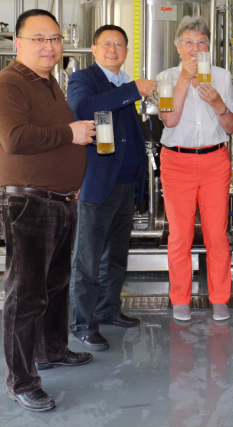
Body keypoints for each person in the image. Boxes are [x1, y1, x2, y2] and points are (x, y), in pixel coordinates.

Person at [0, 9, 96, 412]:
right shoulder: (7, 84)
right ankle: (21, 380)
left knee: (55, 285)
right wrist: (70, 133)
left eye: (55, 38)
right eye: (39, 38)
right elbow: (14, 138)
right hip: (28, 203)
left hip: (60, 200)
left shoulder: (49, 83)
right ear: (18, 43)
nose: (50, 46)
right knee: (26, 295)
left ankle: (51, 349)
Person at [67, 25, 155, 351]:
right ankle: (82, 324)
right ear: (94, 49)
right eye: (107, 44)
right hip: (98, 183)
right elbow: (83, 109)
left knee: (116, 256)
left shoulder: (122, 83)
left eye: (119, 44)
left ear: (126, 51)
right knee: (87, 260)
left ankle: (108, 309)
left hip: (126, 183)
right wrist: (133, 89)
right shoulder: (84, 79)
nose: (113, 49)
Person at [158, 16, 233, 322]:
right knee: (180, 235)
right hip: (177, 162)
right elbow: (169, 120)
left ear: (209, 47)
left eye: (201, 42)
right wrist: (183, 79)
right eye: (188, 42)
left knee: (217, 234)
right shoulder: (166, 77)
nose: (195, 48)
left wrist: (218, 103)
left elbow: (231, 126)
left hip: (215, 160)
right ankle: (180, 298)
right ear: (178, 47)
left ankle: (220, 298)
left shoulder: (222, 76)